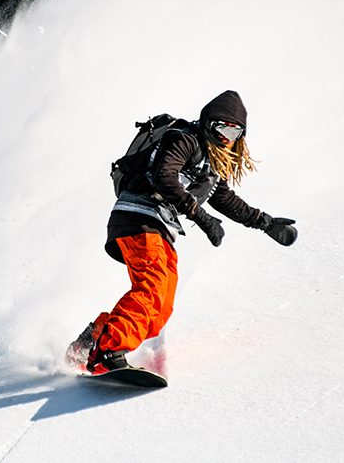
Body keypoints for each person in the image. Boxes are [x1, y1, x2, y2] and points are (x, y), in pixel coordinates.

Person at [66, 90, 298, 374]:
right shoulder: (185, 140)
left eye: (234, 133)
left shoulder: (211, 165)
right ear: (207, 123)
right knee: (150, 289)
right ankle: (108, 351)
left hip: (161, 228)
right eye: (221, 128)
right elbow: (165, 176)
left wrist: (265, 222)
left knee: (161, 307)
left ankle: (89, 344)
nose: (226, 138)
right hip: (138, 218)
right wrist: (199, 215)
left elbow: (225, 199)